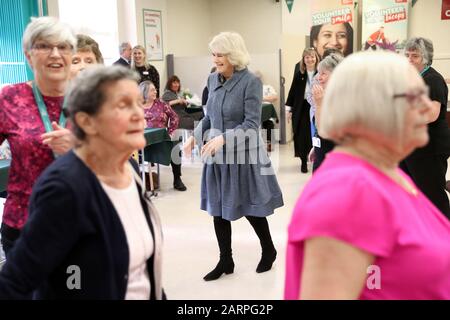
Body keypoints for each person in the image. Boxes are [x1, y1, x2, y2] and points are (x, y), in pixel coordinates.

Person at [285, 51, 450, 300]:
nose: (428, 107)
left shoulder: (387, 171)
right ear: (375, 107)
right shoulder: (348, 194)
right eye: (416, 96)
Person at [0, 66, 165, 300]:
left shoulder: (129, 172)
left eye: (138, 103)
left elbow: (142, 274)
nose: (140, 114)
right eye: (123, 105)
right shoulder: (66, 188)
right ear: (87, 122)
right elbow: (14, 282)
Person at [183, 32, 284, 281]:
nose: (215, 58)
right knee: (217, 209)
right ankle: (225, 260)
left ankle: (269, 250)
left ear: (233, 55)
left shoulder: (250, 82)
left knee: (250, 208)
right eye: (214, 54)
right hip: (217, 157)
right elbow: (208, 116)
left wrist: (223, 138)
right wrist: (195, 137)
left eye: (220, 54)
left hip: (244, 157)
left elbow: (251, 124)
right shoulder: (211, 79)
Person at [0, 17, 76, 256]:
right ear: (28, 54)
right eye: (44, 46)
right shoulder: (10, 98)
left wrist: (79, 148)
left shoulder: (93, 98)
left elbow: (122, 160)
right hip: (23, 225)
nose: (55, 54)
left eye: (63, 46)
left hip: (80, 223)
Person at [402, 37, 450, 218]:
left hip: (431, 147)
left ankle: (444, 234)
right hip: (411, 146)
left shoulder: (433, 80)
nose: (409, 59)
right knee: (410, 192)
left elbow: (432, 114)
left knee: (433, 195)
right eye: (407, 55)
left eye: (414, 56)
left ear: (426, 58)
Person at [139, 80, 187, 191]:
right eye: (152, 90)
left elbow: (175, 117)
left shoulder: (161, 104)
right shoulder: (136, 106)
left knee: (176, 149)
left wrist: (170, 131)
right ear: (144, 92)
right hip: (142, 140)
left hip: (160, 138)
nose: (155, 91)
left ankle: (177, 179)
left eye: (155, 89)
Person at [286, 48, 320, 173]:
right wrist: (289, 110)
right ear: (303, 60)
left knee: (314, 133)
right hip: (301, 107)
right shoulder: (299, 74)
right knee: (301, 135)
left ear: (316, 58)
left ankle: (316, 157)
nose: (310, 59)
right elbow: (292, 93)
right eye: (307, 57)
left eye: (312, 57)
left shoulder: (320, 74)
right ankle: (302, 160)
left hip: (316, 107)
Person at [309, 53, 344, 172]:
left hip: (334, 160)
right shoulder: (327, 95)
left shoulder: (343, 100)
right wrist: (316, 147)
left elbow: (323, 130)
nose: (319, 77)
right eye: (319, 73)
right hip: (322, 153)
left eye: (323, 73)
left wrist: (319, 104)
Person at [254, 71, 278, 152]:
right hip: (254, 113)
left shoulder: (267, 87)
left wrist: (262, 99)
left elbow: (275, 97)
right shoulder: (251, 88)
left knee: (269, 124)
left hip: (267, 113)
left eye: (258, 78)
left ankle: (269, 143)